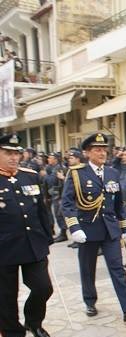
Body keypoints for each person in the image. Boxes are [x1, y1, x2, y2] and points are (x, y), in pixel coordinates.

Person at [61, 133, 126, 321]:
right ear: (87, 152)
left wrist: (123, 228)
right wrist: (75, 228)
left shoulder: (112, 172)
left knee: (118, 269)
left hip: (110, 229)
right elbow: (66, 203)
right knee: (87, 268)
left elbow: (118, 203)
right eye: (97, 149)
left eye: (104, 149)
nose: (102, 153)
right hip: (87, 229)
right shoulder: (76, 173)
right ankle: (90, 301)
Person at [0, 134, 54, 337]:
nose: (14, 157)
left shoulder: (29, 176)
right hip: (4, 248)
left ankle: (33, 322)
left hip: (33, 244)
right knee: (6, 296)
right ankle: (12, 331)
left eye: (16, 153)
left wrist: (47, 236)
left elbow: (41, 209)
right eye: (8, 153)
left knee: (43, 288)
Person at [64, 148, 85, 249]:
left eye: (72, 158)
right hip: (70, 200)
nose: (69, 160)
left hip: (80, 203)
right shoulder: (71, 170)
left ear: (78, 159)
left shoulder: (82, 171)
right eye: (69, 158)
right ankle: (77, 240)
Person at [45, 152, 68, 243]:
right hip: (54, 194)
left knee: (60, 214)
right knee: (58, 214)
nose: (48, 160)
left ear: (55, 159)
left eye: (51, 158)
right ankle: (63, 233)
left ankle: (63, 233)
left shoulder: (59, 168)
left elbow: (54, 181)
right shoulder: (51, 168)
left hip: (59, 195)